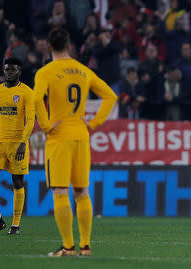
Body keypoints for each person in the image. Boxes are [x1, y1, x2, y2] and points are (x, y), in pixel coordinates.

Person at [34, 28, 117, 257]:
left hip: (59, 135)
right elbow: (111, 95)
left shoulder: (45, 72)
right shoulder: (83, 70)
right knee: (82, 191)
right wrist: (94, 123)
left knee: (60, 191)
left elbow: (36, 99)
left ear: (49, 47)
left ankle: (68, 247)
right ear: (69, 46)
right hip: (81, 133)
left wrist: (45, 124)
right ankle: (86, 246)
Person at [0, 58, 35, 235]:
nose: (9, 72)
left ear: (19, 70)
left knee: (17, 182)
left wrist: (23, 142)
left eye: (12, 69)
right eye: (6, 69)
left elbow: (30, 121)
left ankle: (16, 225)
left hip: (17, 143)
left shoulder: (27, 92)